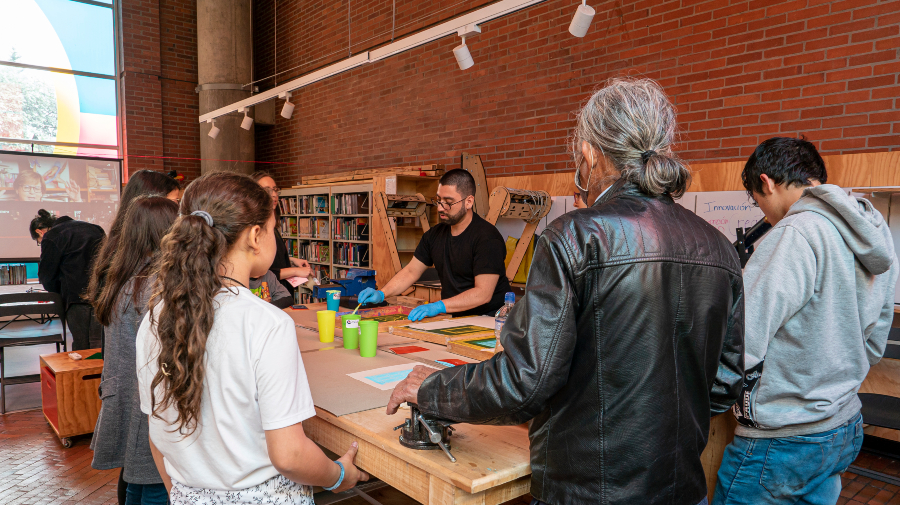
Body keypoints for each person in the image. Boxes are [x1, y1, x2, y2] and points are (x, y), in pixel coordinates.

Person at [386, 78, 745, 505]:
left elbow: (526, 381)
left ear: (591, 154)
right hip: (680, 489)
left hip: (587, 491)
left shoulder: (576, 235)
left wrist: (432, 388)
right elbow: (724, 386)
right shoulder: (719, 248)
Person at [136, 172, 368, 504]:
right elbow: (290, 455)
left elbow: (157, 433)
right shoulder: (266, 322)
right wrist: (339, 475)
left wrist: (181, 495)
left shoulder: (156, 317)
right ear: (255, 236)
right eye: (274, 230)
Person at [713, 138, 898, 505]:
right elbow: (875, 345)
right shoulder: (873, 229)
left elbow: (739, 342)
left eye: (757, 200)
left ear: (766, 183)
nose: (764, 213)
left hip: (782, 440)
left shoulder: (794, 235)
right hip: (841, 423)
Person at [83, 168, 181, 505]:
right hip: (146, 404)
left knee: (137, 484)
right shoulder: (152, 287)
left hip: (126, 394)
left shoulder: (126, 275)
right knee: (153, 484)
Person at [357, 169, 511, 321]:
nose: (440, 208)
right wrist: (382, 293)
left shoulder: (487, 238)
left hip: (489, 320)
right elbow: (411, 271)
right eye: (438, 200)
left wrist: (438, 306)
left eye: (448, 203)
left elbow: (482, 294)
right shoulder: (434, 235)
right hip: (454, 317)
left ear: (469, 201)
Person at [31, 209, 106, 351]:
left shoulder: (52, 236)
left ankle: (80, 373)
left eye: (39, 242)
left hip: (75, 298)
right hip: (102, 295)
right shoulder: (96, 229)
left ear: (40, 231)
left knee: (81, 344)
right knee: (100, 345)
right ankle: (99, 373)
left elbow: (47, 275)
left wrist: (56, 292)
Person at [252, 171, 311, 291]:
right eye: (267, 190)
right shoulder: (254, 229)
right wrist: (294, 271)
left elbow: (271, 259)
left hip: (282, 292)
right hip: (268, 295)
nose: (274, 195)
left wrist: (292, 261)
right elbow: (259, 273)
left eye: (275, 189)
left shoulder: (272, 225)